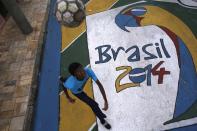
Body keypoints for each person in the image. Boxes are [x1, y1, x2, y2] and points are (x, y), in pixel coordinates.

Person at [60, 62, 111, 129]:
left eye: (81, 68)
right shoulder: (70, 84)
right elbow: (64, 87)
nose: (82, 71)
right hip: (78, 92)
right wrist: (68, 97)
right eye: (78, 71)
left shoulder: (88, 71)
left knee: (66, 80)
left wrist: (105, 101)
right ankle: (102, 120)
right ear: (74, 75)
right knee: (93, 104)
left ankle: (62, 78)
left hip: (78, 86)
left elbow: (99, 85)